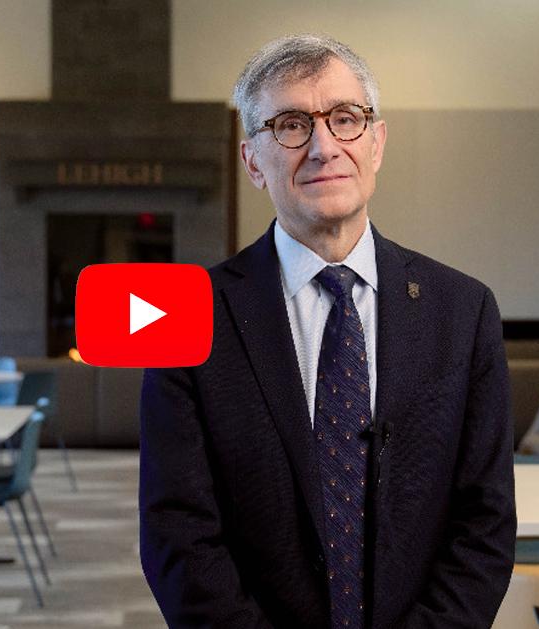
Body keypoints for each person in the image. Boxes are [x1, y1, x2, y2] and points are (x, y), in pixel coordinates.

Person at [139, 34, 515, 628]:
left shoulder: (462, 311)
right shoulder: (188, 315)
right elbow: (178, 537)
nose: (323, 147)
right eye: (289, 125)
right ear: (252, 162)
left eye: (346, 119)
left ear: (377, 143)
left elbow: (484, 524)